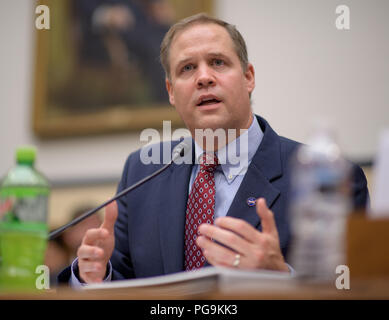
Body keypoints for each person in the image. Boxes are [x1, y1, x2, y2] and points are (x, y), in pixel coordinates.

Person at [58, 13, 369, 285]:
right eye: (187, 68)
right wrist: (94, 276)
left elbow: (354, 287)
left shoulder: (329, 177)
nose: (204, 78)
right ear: (170, 91)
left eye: (218, 62)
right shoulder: (142, 171)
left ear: (248, 77)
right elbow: (123, 280)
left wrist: (282, 278)